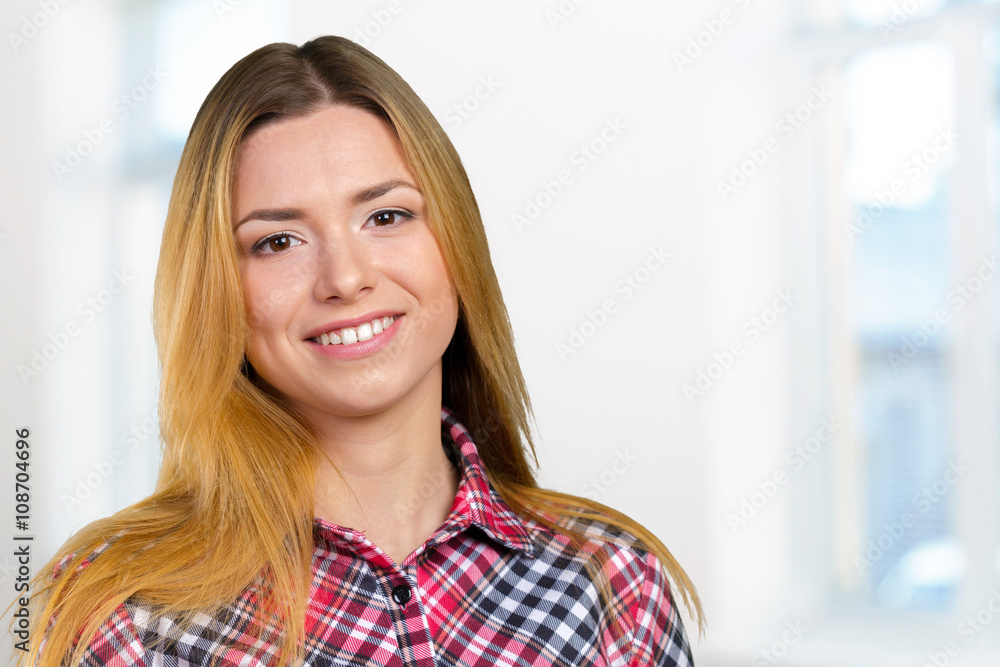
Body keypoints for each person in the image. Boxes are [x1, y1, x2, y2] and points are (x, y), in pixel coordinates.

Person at [23, 35, 704, 666]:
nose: (346, 278)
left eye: (386, 216)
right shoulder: (127, 615)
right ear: (217, 292)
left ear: (455, 244)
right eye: (277, 241)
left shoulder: (612, 588)